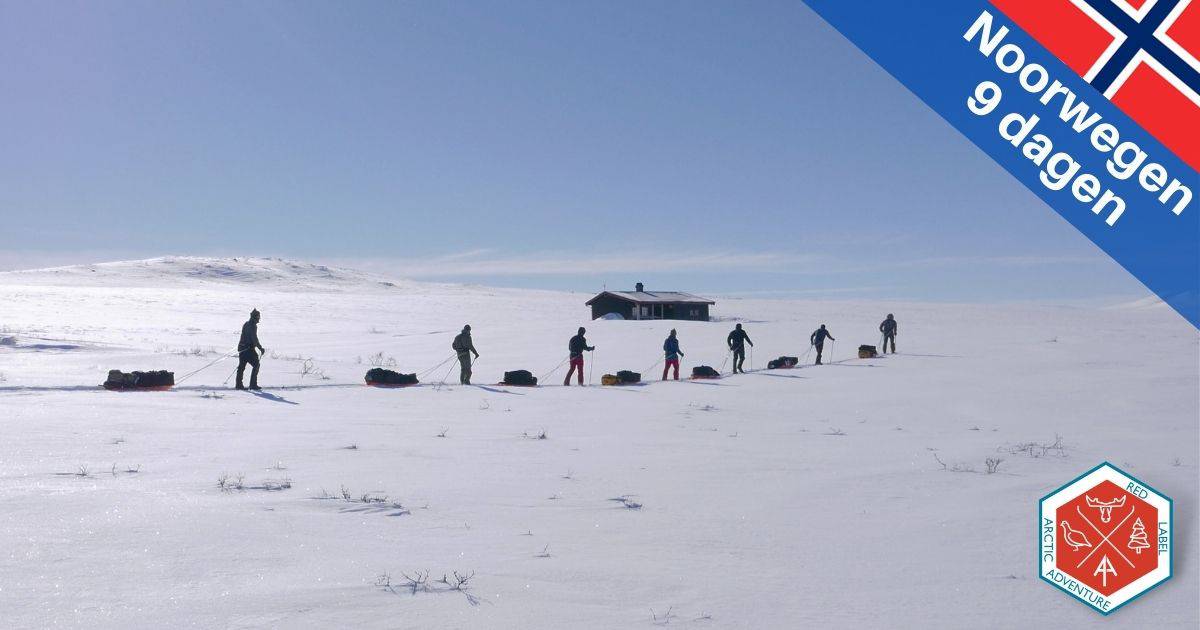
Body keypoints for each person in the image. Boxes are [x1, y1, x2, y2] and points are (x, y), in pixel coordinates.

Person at [235, 309, 265, 390]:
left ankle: (238, 384)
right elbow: (254, 338)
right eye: (258, 317)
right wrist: (260, 348)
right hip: (248, 349)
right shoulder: (253, 326)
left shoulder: (246, 324)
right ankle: (253, 384)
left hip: (242, 348)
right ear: (255, 317)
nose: (259, 319)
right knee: (256, 365)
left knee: (241, 367)